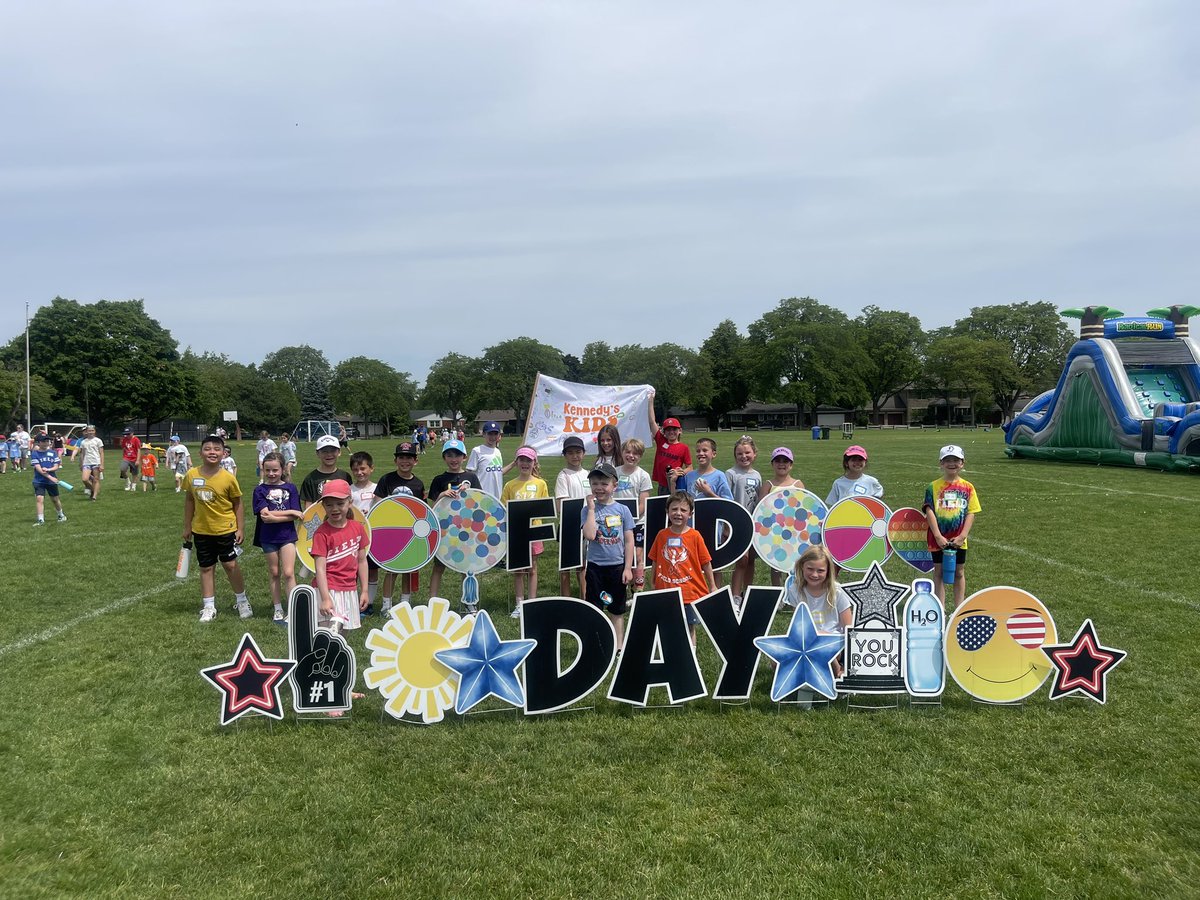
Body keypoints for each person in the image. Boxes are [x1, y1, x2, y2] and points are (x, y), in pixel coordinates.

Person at [183, 434, 252, 622]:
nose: (212, 452)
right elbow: (189, 500)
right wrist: (187, 525)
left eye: (216, 449)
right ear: (200, 453)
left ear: (223, 454)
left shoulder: (228, 478)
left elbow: (238, 503)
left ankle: (242, 600)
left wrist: (240, 528)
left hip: (225, 529)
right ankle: (208, 606)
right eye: (207, 449)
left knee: (230, 565)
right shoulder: (192, 475)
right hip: (201, 530)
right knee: (206, 567)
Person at [647, 491, 716, 648]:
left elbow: (706, 562)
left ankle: (690, 659)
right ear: (667, 512)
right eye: (674, 509)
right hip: (666, 591)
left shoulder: (695, 536)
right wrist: (653, 582)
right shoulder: (661, 535)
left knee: (689, 627)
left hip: (689, 593)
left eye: (683, 510)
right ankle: (672, 657)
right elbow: (655, 559)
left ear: (690, 514)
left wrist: (712, 585)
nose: (678, 513)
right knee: (668, 626)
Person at [582, 463, 636, 650]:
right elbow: (589, 535)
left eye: (604, 483)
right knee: (595, 608)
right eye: (595, 483)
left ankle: (618, 646)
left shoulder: (623, 510)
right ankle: (596, 645)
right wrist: (590, 509)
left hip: (617, 567)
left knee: (616, 609)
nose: (599, 488)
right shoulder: (588, 510)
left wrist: (628, 568)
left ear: (615, 485)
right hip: (595, 567)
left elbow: (629, 541)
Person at [924, 444, 981, 609]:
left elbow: (971, 512)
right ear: (941, 463)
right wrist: (937, 536)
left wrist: (963, 536)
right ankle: (939, 609)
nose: (951, 463)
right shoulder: (932, 487)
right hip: (938, 539)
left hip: (959, 539)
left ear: (962, 463)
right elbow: (929, 511)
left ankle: (959, 609)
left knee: (959, 573)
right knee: (939, 573)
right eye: (947, 460)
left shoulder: (968, 487)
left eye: (956, 460)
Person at [783, 544, 853, 675]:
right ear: (802, 566)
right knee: (776, 661)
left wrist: (846, 660)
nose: (814, 574)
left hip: (834, 643)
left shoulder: (837, 592)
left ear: (828, 571)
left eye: (820, 570)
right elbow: (798, 624)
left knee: (818, 636)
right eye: (810, 569)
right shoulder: (795, 590)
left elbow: (849, 630)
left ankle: (838, 670)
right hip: (805, 641)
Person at [373, 442, 425, 615]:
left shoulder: (418, 484)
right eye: (401, 457)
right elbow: (378, 504)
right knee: (392, 569)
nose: (405, 461)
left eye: (409, 457)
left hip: (411, 534)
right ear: (395, 460)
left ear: (416, 461)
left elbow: (422, 511)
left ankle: (405, 604)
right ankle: (386, 605)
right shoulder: (386, 480)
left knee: (408, 570)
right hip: (391, 532)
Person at [427, 439, 481, 605]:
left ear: (464, 457)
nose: (453, 459)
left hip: (466, 530)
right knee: (438, 567)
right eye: (449, 455)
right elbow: (432, 509)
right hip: (445, 530)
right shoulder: (439, 479)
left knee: (466, 566)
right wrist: (443, 494)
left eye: (457, 455)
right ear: (444, 458)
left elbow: (480, 504)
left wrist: (469, 493)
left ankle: (469, 601)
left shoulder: (471, 477)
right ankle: (432, 601)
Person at [311, 479, 369, 633]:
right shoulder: (321, 533)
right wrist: (325, 598)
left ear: (350, 502)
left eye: (339, 503)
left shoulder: (358, 528)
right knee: (328, 636)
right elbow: (320, 569)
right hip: (328, 589)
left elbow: (362, 561)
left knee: (343, 638)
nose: (334, 509)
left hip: (349, 589)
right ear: (323, 506)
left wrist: (364, 590)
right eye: (329, 504)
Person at [252, 451, 302, 623]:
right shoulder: (259, 490)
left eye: (275, 470)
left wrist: (279, 516)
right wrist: (290, 512)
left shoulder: (291, 488)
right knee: (274, 572)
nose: (271, 474)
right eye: (268, 470)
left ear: (282, 469)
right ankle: (278, 608)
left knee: (289, 573)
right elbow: (265, 516)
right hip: (268, 537)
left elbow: (297, 516)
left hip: (287, 536)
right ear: (263, 470)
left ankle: (293, 608)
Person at [501, 446, 549, 619]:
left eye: (528, 460)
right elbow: (504, 508)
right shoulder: (510, 485)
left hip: (534, 532)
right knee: (518, 570)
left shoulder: (540, 483)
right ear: (517, 462)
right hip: (517, 532)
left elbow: (545, 507)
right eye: (521, 460)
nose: (525, 463)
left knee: (533, 568)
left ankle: (532, 602)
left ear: (534, 462)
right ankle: (520, 603)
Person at [726, 435, 763, 606]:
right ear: (735, 456)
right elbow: (726, 500)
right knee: (741, 560)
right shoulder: (731, 474)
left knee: (751, 560)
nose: (744, 456)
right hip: (738, 523)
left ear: (754, 454)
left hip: (753, 524)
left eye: (747, 452)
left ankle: (747, 592)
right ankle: (735, 596)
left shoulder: (757, 475)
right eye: (739, 453)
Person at [554, 435, 591, 598]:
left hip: (586, 526)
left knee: (583, 566)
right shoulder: (564, 476)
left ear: (583, 453)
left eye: (578, 452)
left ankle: (585, 598)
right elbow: (560, 504)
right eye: (570, 453)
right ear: (564, 455)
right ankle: (566, 599)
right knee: (566, 567)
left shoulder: (589, 475)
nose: (575, 456)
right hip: (569, 526)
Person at [615, 437, 652, 591]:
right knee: (620, 555)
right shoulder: (614, 473)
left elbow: (643, 503)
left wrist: (630, 519)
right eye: (628, 452)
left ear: (640, 456)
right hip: (615, 523)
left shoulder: (643, 475)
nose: (631, 456)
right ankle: (623, 587)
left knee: (637, 555)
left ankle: (638, 588)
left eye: (635, 453)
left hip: (637, 523)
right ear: (622, 453)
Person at [765, 447, 803, 587]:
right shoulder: (768, 485)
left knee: (795, 562)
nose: (782, 464)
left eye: (785, 461)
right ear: (772, 464)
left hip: (794, 531)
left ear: (791, 464)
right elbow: (762, 509)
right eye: (778, 461)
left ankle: (794, 592)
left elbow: (803, 508)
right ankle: (778, 594)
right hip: (775, 530)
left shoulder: (797, 484)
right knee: (776, 564)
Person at [348, 450, 380, 614]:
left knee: (372, 570)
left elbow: (383, 510)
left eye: (363, 468)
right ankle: (352, 602)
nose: (359, 472)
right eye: (355, 470)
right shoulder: (349, 490)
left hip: (372, 536)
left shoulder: (377, 489)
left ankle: (369, 604)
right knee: (352, 569)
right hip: (353, 536)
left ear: (371, 469)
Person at [646, 389, 692, 494]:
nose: (671, 432)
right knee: (663, 508)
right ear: (664, 431)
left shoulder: (683, 447)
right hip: (663, 484)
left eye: (674, 429)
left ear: (680, 431)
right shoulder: (661, 440)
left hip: (677, 483)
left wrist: (681, 472)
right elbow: (652, 421)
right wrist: (650, 400)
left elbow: (690, 467)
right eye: (668, 429)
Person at [299, 435, 352, 505]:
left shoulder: (345, 476)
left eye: (333, 451)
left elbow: (349, 502)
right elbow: (309, 507)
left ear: (339, 452)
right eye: (324, 451)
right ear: (317, 453)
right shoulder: (310, 479)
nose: (329, 454)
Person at [30, 432, 67, 525]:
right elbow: (39, 469)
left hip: (51, 481)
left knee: (55, 499)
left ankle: (61, 515)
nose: (47, 443)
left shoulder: (53, 453)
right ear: (38, 442)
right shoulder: (35, 454)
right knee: (39, 499)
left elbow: (56, 466)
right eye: (44, 441)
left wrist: (49, 469)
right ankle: (40, 520)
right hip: (39, 481)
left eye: (47, 441)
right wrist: (50, 477)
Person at [467, 421, 509, 499]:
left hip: (497, 496)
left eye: (495, 434)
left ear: (499, 435)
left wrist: (514, 463)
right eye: (490, 434)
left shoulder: (497, 452)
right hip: (481, 496)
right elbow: (469, 474)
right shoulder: (477, 451)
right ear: (483, 434)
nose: (493, 437)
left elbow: (499, 472)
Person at [78, 425, 106, 500]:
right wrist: (81, 463)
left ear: (95, 431)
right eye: (89, 431)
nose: (90, 432)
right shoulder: (83, 442)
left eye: (92, 430)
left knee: (96, 479)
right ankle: (94, 490)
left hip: (96, 462)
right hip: (86, 463)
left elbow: (101, 453)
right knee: (85, 479)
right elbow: (82, 453)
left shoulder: (98, 440)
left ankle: (94, 496)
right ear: (86, 432)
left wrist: (102, 464)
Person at [119, 427, 142, 492]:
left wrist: (137, 460)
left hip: (134, 458)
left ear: (132, 433)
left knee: (134, 473)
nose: (127, 436)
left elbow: (138, 450)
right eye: (126, 434)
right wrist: (124, 457)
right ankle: (128, 482)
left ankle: (134, 485)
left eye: (128, 434)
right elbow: (124, 448)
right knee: (122, 469)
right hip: (126, 458)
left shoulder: (136, 439)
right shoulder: (124, 439)